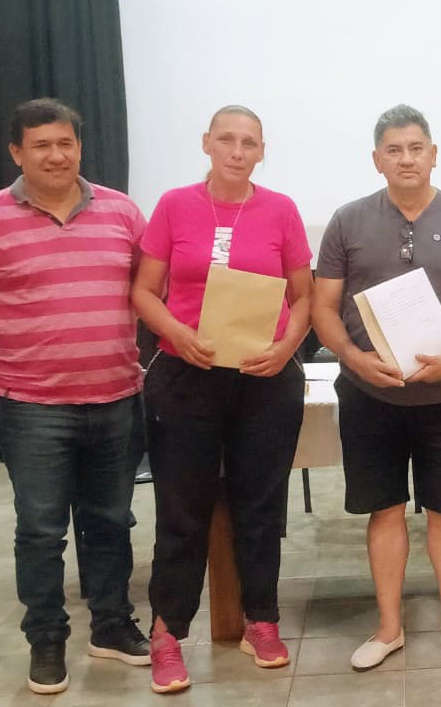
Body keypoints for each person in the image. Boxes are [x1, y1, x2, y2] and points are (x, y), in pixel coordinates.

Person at [0, 98, 150, 694]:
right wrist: (24, 335)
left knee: (111, 521)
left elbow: (147, 291)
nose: (56, 155)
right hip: (31, 406)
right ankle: (46, 640)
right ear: (17, 152)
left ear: (80, 147)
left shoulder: (123, 212)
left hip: (117, 396)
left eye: (65, 143)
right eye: (41, 145)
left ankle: (111, 626)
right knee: (41, 531)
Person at [310, 104, 441, 672]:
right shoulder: (347, 221)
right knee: (385, 511)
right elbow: (323, 307)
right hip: (368, 394)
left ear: (433, 154)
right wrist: (352, 357)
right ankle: (389, 629)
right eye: (393, 150)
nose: (406, 159)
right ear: (377, 160)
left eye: (416, 148)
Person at [131, 105, 313, 693]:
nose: (237, 151)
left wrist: (286, 349)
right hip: (186, 376)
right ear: (206, 143)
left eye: (249, 142)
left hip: (264, 378)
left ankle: (262, 620)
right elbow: (144, 291)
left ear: (262, 151)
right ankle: (167, 634)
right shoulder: (174, 205)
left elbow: (304, 297)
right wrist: (176, 333)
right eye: (227, 140)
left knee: (261, 506)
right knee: (181, 510)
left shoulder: (281, 210)